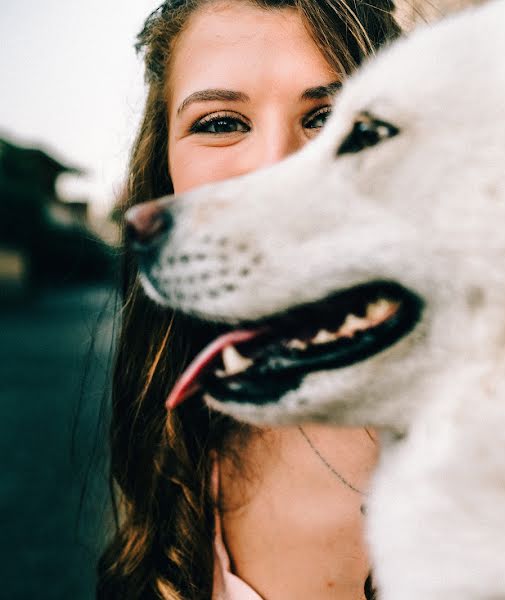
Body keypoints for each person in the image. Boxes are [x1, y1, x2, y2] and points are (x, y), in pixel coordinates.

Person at [97, 2, 400, 599]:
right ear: (166, 171)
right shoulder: (176, 441)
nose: (274, 168)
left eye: (330, 116)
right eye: (219, 123)